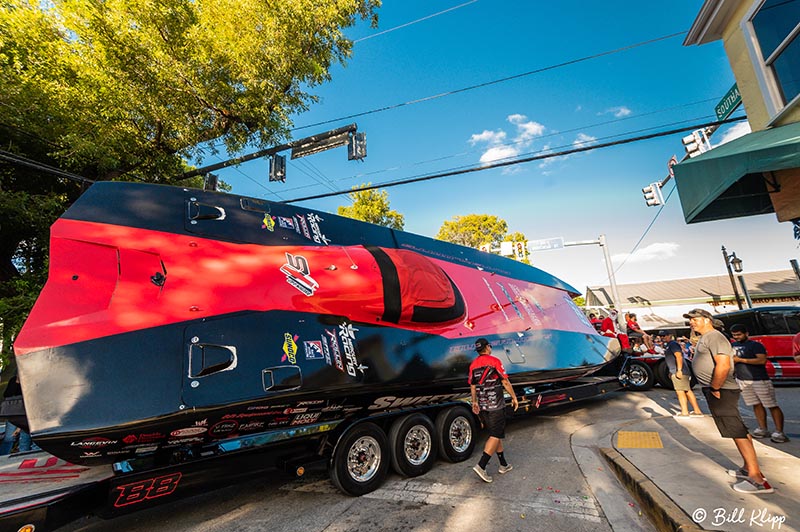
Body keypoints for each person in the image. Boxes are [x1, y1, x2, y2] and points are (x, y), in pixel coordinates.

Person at [684, 309, 773, 494]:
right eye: (690, 320)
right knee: (737, 429)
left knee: (735, 430)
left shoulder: (714, 337)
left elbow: (723, 365)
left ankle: (757, 479)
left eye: (694, 319)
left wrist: (715, 387)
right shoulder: (706, 337)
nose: (691, 322)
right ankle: (748, 467)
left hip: (721, 390)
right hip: (718, 389)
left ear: (707, 320)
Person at [469, 338, 519, 483]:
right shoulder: (494, 361)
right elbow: (504, 381)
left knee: (494, 434)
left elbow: (473, 386)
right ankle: (481, 465)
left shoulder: (473, 365)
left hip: (484, 406)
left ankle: (503, 464)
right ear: (488, 347)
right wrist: (514, 397)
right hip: (496, 406)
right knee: (496, 435)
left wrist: (474, 402)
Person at [730, 324, 788, 443]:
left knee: (771, 404)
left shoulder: (756, 345)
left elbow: (761, 360)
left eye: (739, 334)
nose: (736, 337)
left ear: (746, 333)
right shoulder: (732, 346)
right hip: (742, 379)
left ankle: (779, 431)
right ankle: (762, 428)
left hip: (759, 379)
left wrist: (741, 360)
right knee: (755, 404)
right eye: (734, 335)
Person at [660, 330, 703, 417]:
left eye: (664, 335)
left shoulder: (673, 344)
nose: (662, 337)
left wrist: (679, 370)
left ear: (670, 335)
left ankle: (685, 412)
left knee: (680, 391)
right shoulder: (669, 345)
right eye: (661, 336)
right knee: (687, 390)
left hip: (680, 371)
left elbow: (678, 356)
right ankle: (697, 411)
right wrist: (670, 371)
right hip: (676, 370)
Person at [0, 373, 34, 455]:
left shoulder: (31, 380)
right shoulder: (13, 380)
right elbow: (7, 395)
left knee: (25, 438)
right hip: (13, 412)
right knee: (9, 438)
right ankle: (4, 457)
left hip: (26, 413)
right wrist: (17, 382)